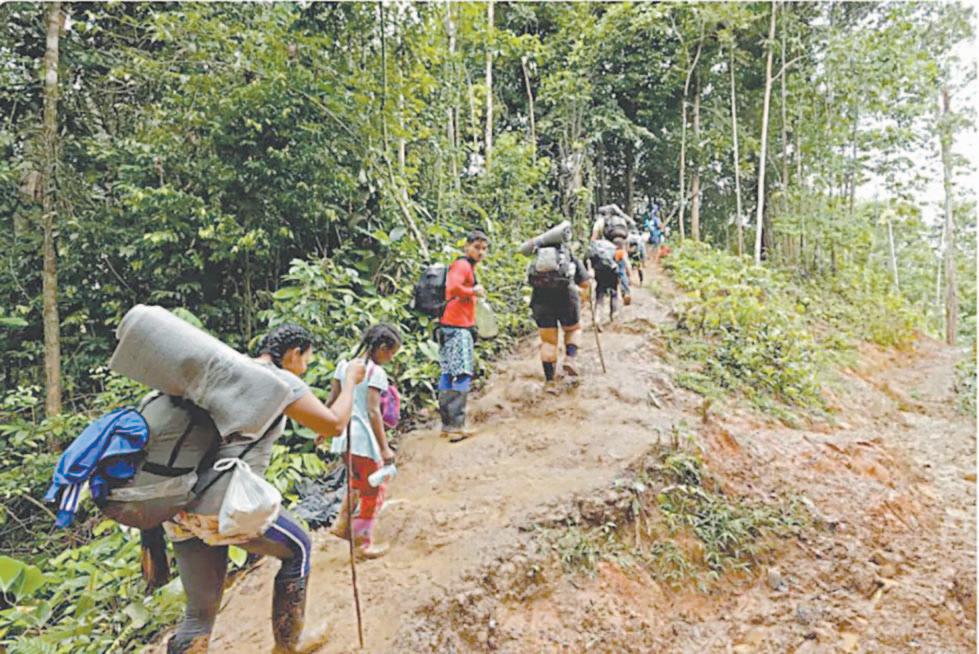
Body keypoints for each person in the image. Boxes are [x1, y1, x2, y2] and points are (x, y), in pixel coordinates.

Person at [164, 324, 365, 654]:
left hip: (178, 506)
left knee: (198, 615)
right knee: (299, 548)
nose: (306, 367)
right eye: (306, 359)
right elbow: (334, 424)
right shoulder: (279, 380)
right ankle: (288, 644)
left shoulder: (231, 371)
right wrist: (351, 382)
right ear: (293, 353)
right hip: (222, 502)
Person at [327, 323, 402, 559]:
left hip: (343, 438)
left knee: (356, 481)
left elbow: (333, 399)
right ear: (381, 347)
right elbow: (373, 411)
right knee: (372, 491)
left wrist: (323, 429)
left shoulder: (344, 366)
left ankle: (342, 523)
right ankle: (362, 543)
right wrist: (384, 448)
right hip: (363, 441)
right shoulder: (375, 373)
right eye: (391, 353)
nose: (390, 358)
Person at [437, 230, 489, 442]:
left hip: (450, 324)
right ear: (466, 246)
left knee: (448, 373)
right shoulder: (462, 265)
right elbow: (452, 287)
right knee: (462, 374)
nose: (481, 252)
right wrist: (473, 291)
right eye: (477, 247)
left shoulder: (465, 266)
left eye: (484, 249)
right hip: (457, 326)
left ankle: (447, 425)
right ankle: (456, 426)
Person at [527, 235, 591, 393]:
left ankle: (550, 382)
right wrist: (584, 298)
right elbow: (585, 283)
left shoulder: (537, 258)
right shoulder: (567, 256)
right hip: (567, 298)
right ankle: (570, 358)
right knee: (573, 329)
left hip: (541, 300)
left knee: (548, 342)